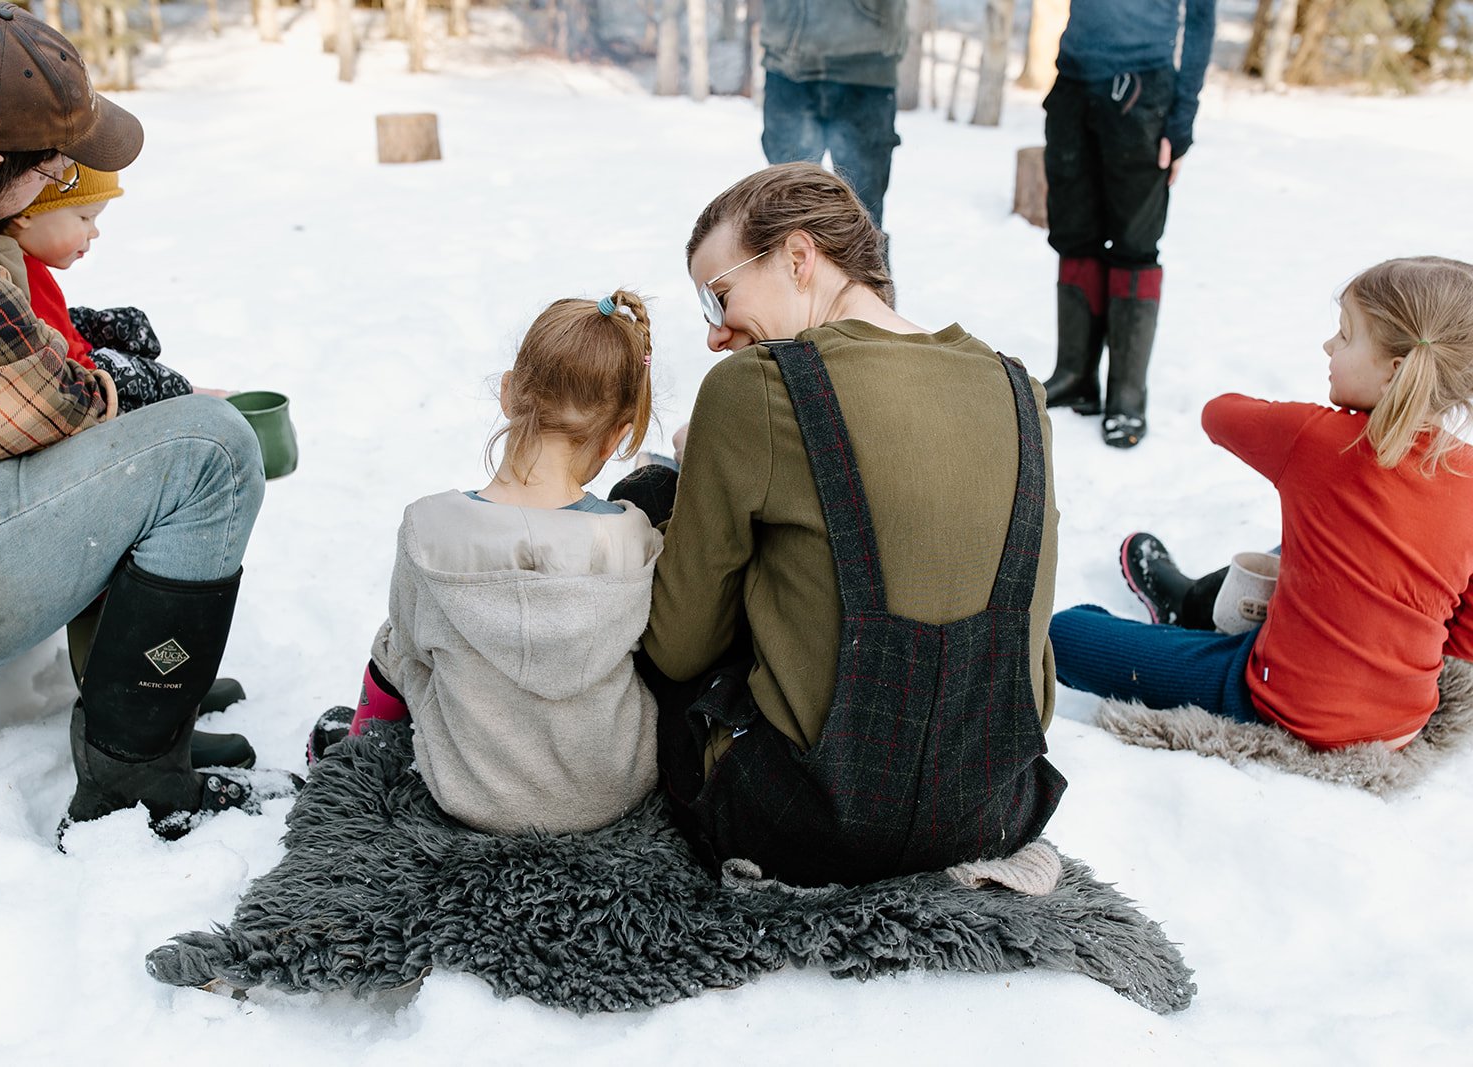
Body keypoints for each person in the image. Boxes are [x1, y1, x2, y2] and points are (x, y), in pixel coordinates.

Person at [0, 0, 289, 834]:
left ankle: (133, 700)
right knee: (207, 450)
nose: (63, 182)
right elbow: (60, 415)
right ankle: (131, 779)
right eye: (53, 172)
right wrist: (147, 388)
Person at [621, 163, 1065, 887]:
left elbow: (676, 647)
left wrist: (694, 470)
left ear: (800, 257)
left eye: (719, 295)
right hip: (992, 811)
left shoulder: (753, 388)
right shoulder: (1020, 389)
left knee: (645, 492)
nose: (713, 333)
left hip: (802, 824)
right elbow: (1034, 665)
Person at [1051, 257, 1473, 750]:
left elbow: (1218, 414)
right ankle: (1200, 608)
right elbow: (1463, 635)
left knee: (1067, 633)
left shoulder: (1318, 438)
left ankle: (1190, 622)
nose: (1328, 346)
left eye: (1345, 335)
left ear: (1393, 373)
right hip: (1402, 722)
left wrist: (1315, 424)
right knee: (1314, 542)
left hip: (1281, 697)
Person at [312, 290, 662, 836]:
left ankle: (362, 751)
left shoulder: (428, 530)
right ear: (620, 435)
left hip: (473, 793)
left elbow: (410, 641)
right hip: (614, 789)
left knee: (396, 638)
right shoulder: (632, 536)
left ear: (507, 392)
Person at [1038, 0, 1217, 448]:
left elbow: (1200, 20)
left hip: (1143, 92)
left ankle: (1127, 397)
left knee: (1135, 245)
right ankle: (1075, 375)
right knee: (1074, 235)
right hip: (1074, 85)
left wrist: (1182, 120)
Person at [0, 167, 195, 411]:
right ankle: (193, 402)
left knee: (132, 326)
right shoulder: (24, 277)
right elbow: (60, 358)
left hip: (78, 354)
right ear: (25, 212)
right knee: (160, 383)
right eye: (84, 217)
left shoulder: (25, 261)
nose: (94, 232)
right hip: (82, 383)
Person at [758, 0, 906, 233]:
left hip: (866, 66)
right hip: (787, 63)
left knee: (864, 216)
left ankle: (862, 268)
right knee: (787, 208)